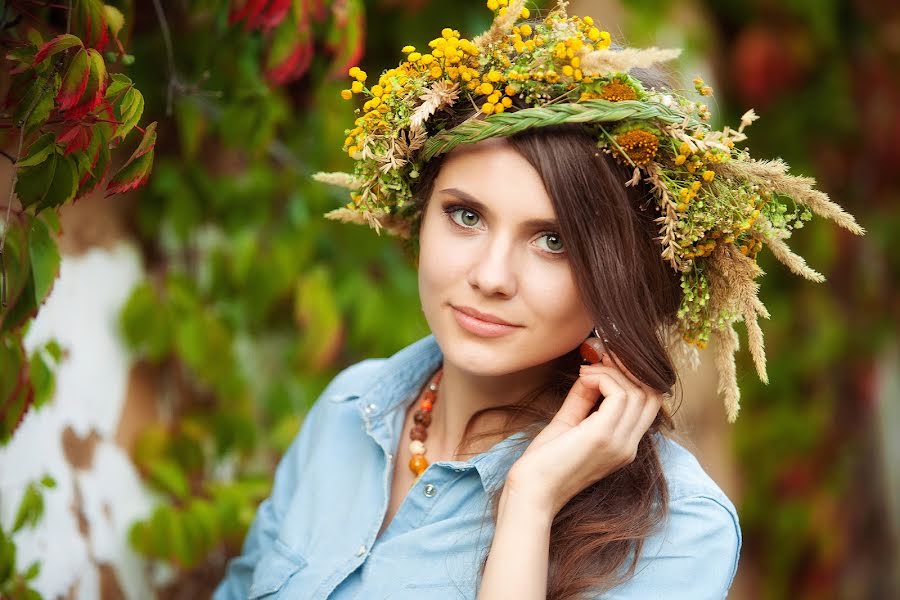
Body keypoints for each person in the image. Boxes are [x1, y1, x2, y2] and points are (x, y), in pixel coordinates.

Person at [214, 2, 863, 598]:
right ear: (421, 219)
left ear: (623, 272)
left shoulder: (674, 532)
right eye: (465, 216)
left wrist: (529, 502)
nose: (492, 275)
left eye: (553, 240)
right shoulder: (349, 411)